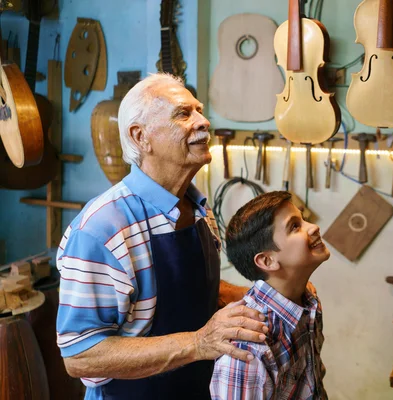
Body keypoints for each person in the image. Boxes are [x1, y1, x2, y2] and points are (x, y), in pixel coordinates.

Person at [56, 73, 268, 400]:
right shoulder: (101, 228)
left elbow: (187, 293)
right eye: (184, 114)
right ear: (141, 137)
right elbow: (80, 355)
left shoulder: (197, 207)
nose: (204, 121)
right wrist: (199, 343)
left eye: (198, 110)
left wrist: (260, 298)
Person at [210, 191, 331, 399]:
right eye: (295, 226)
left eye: (303, 220)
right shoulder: (248, 348)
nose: (313, 227)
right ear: (267, 261)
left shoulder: (308, 302)